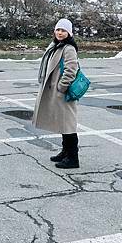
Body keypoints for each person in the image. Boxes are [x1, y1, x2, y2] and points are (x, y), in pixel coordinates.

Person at [32, 18, 80, 169]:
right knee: (62, 123)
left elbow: (71, 70)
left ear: (69, 33)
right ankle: (65, 152)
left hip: (62, 93)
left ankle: (73, 158)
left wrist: (62, 87)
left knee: (68, 125)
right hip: (57, 92)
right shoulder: (57, 46)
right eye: (58, 30)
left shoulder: (68, 48)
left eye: (63, 30)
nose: (60, 32)